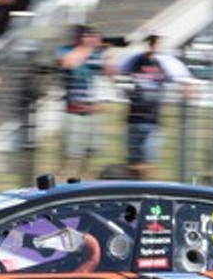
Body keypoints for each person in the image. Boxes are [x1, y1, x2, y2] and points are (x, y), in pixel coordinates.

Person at [56, 24, 115, 178]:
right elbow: (66, 63)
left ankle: (82, 183)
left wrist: (108, 55)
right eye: (88, 36)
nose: (93, 39)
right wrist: (87, 48)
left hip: (94, 110)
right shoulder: (66, 50)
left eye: (94, 36)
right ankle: (63, 184)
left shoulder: (97, 54)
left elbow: (111, 73)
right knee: (70, 154)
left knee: (91, 153)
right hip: (74, 109)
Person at [119, 34, 178, 179]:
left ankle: (146, 188)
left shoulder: (164, 62)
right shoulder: (136, 60)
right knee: (133, 161)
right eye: (151, 42)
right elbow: (119, 73)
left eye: (156, 42)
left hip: (152, 118)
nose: (153, 45)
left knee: (149, 159)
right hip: (135, 116)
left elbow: (178, 77)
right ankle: (132, 188)